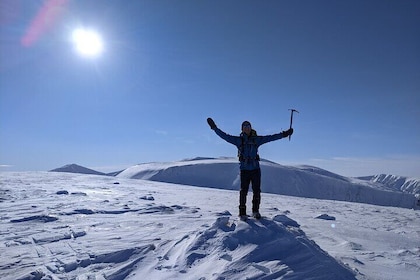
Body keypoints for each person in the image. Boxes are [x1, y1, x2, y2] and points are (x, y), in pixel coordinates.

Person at [207, 118, 293, 220]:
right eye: (245, 127)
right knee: (243, 191)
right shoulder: (238, 140)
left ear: (250, 128)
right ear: (242, 129)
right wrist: (214, 128)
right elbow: (224, 136)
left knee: (257, 191)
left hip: (255, 169)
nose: (247, 128)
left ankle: (255, 211)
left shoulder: (256, 140)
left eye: (248, 126)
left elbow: (271, 138)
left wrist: (284, 134)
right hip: (244, 170)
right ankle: (242, 212)